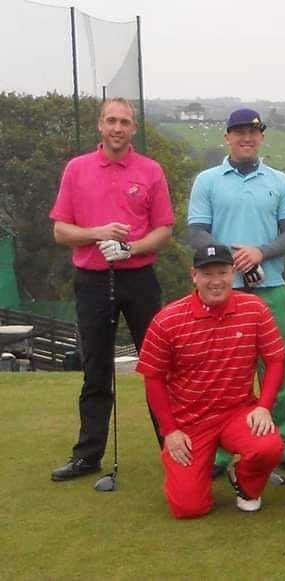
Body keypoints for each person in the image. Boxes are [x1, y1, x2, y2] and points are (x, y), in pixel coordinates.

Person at [49, 97, 175, 481]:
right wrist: (97, 234)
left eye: (125, 122)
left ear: (134, 128)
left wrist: (131, 246)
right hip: (91, 279)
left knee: (159, 366)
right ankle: (88, 455)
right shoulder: (77, 169)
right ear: (100, 126)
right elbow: (60, 230)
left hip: (138, 278)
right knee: (96, 368)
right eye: (111, 121)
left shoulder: (151, 171)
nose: (118, 128)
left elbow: (164, 229)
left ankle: (174, 446)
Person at [187, 108, 285, 478]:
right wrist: (232, 258)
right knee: (222, 373)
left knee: (276, 367)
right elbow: (197, 232)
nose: (247, 138)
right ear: (227, 136)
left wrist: (259, 252)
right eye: (239, 132)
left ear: (261, 137)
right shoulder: (208, 180)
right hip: (220, 292)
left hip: (269, 287)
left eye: (253, 132)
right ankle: (221, 451)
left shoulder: (279, 180)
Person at [136, 245, 285, 518]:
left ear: (233, 273)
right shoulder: (168, 320)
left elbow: (275, 359)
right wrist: (170, 431)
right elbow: (153, 378)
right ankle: (190, 476)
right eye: (207, 274)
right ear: (194, 275)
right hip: (189, 421)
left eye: (223, 272)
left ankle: (246, 483)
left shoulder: (255, 309)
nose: (216, 281)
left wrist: (263, 406)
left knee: (268, 446)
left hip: (237, 411)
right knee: (188, 508)